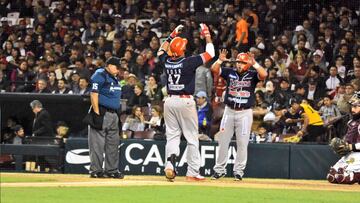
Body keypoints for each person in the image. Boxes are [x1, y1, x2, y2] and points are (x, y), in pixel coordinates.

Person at [157, 23, 215, 181]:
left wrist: (172, 34)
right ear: (182, 49)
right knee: (191, 137)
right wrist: (207, 35)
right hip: (185, 101)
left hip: (169, 101)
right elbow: (211, 52)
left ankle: (169, 166)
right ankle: (192, 172)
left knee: (172, 137)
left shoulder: (167, 61)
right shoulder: (189, 62)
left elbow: (160, 51)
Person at [210, 49, 267, 181]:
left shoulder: (252, 74)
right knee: (223, 141)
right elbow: (214, 69)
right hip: (229, 111)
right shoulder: (230, 72)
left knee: (242, 143)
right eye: (238, 62)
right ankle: (219, 170)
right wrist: (220, 60)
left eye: (241, 62)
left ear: (247, 64)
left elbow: (264, 74)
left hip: (245, 113)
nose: (239, 64)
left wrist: (255, 64)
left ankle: (239, 171)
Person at [88, 57, 124, 179]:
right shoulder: (100, 74)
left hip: (114, 114)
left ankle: (111, 170)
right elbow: (93, 93)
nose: (118, 69)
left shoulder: (114, 78)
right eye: (116, 66)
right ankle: (96, 170)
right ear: (108, 65)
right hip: (102, 112)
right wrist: (97, 112)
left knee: (113, 144)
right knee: (97, 144)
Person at [327, 92, 360, 184]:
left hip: (358, 154)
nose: (353, 109)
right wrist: (343, 145)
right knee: (332, 177)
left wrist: (350, 147)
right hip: (350, 154)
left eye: (356, 106)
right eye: (352, 106)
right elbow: (348, 140)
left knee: (345, 177)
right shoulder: (351, 122)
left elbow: (351, 145)